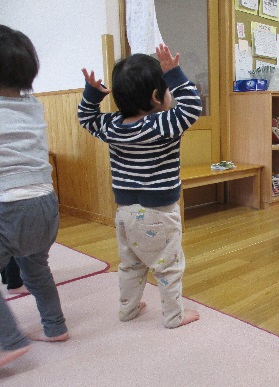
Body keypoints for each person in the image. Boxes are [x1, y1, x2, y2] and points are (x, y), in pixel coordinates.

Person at [78, 43, 202, 328]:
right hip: (160, 212)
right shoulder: (163, 124)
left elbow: (86, 117)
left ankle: (128, 309)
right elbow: (193, 106)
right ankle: (174, 316)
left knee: (131, 265)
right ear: (157, 97)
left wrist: (92, 94)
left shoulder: (112, 126)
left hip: (124, 213)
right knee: (168, 266)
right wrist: (175, 74)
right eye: (167, 90)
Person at [0, 24, 69, 367]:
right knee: (37, 270)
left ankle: (6, 342)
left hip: (8, 207)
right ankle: (55, 326)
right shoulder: (33, 106)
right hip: (45, 206)